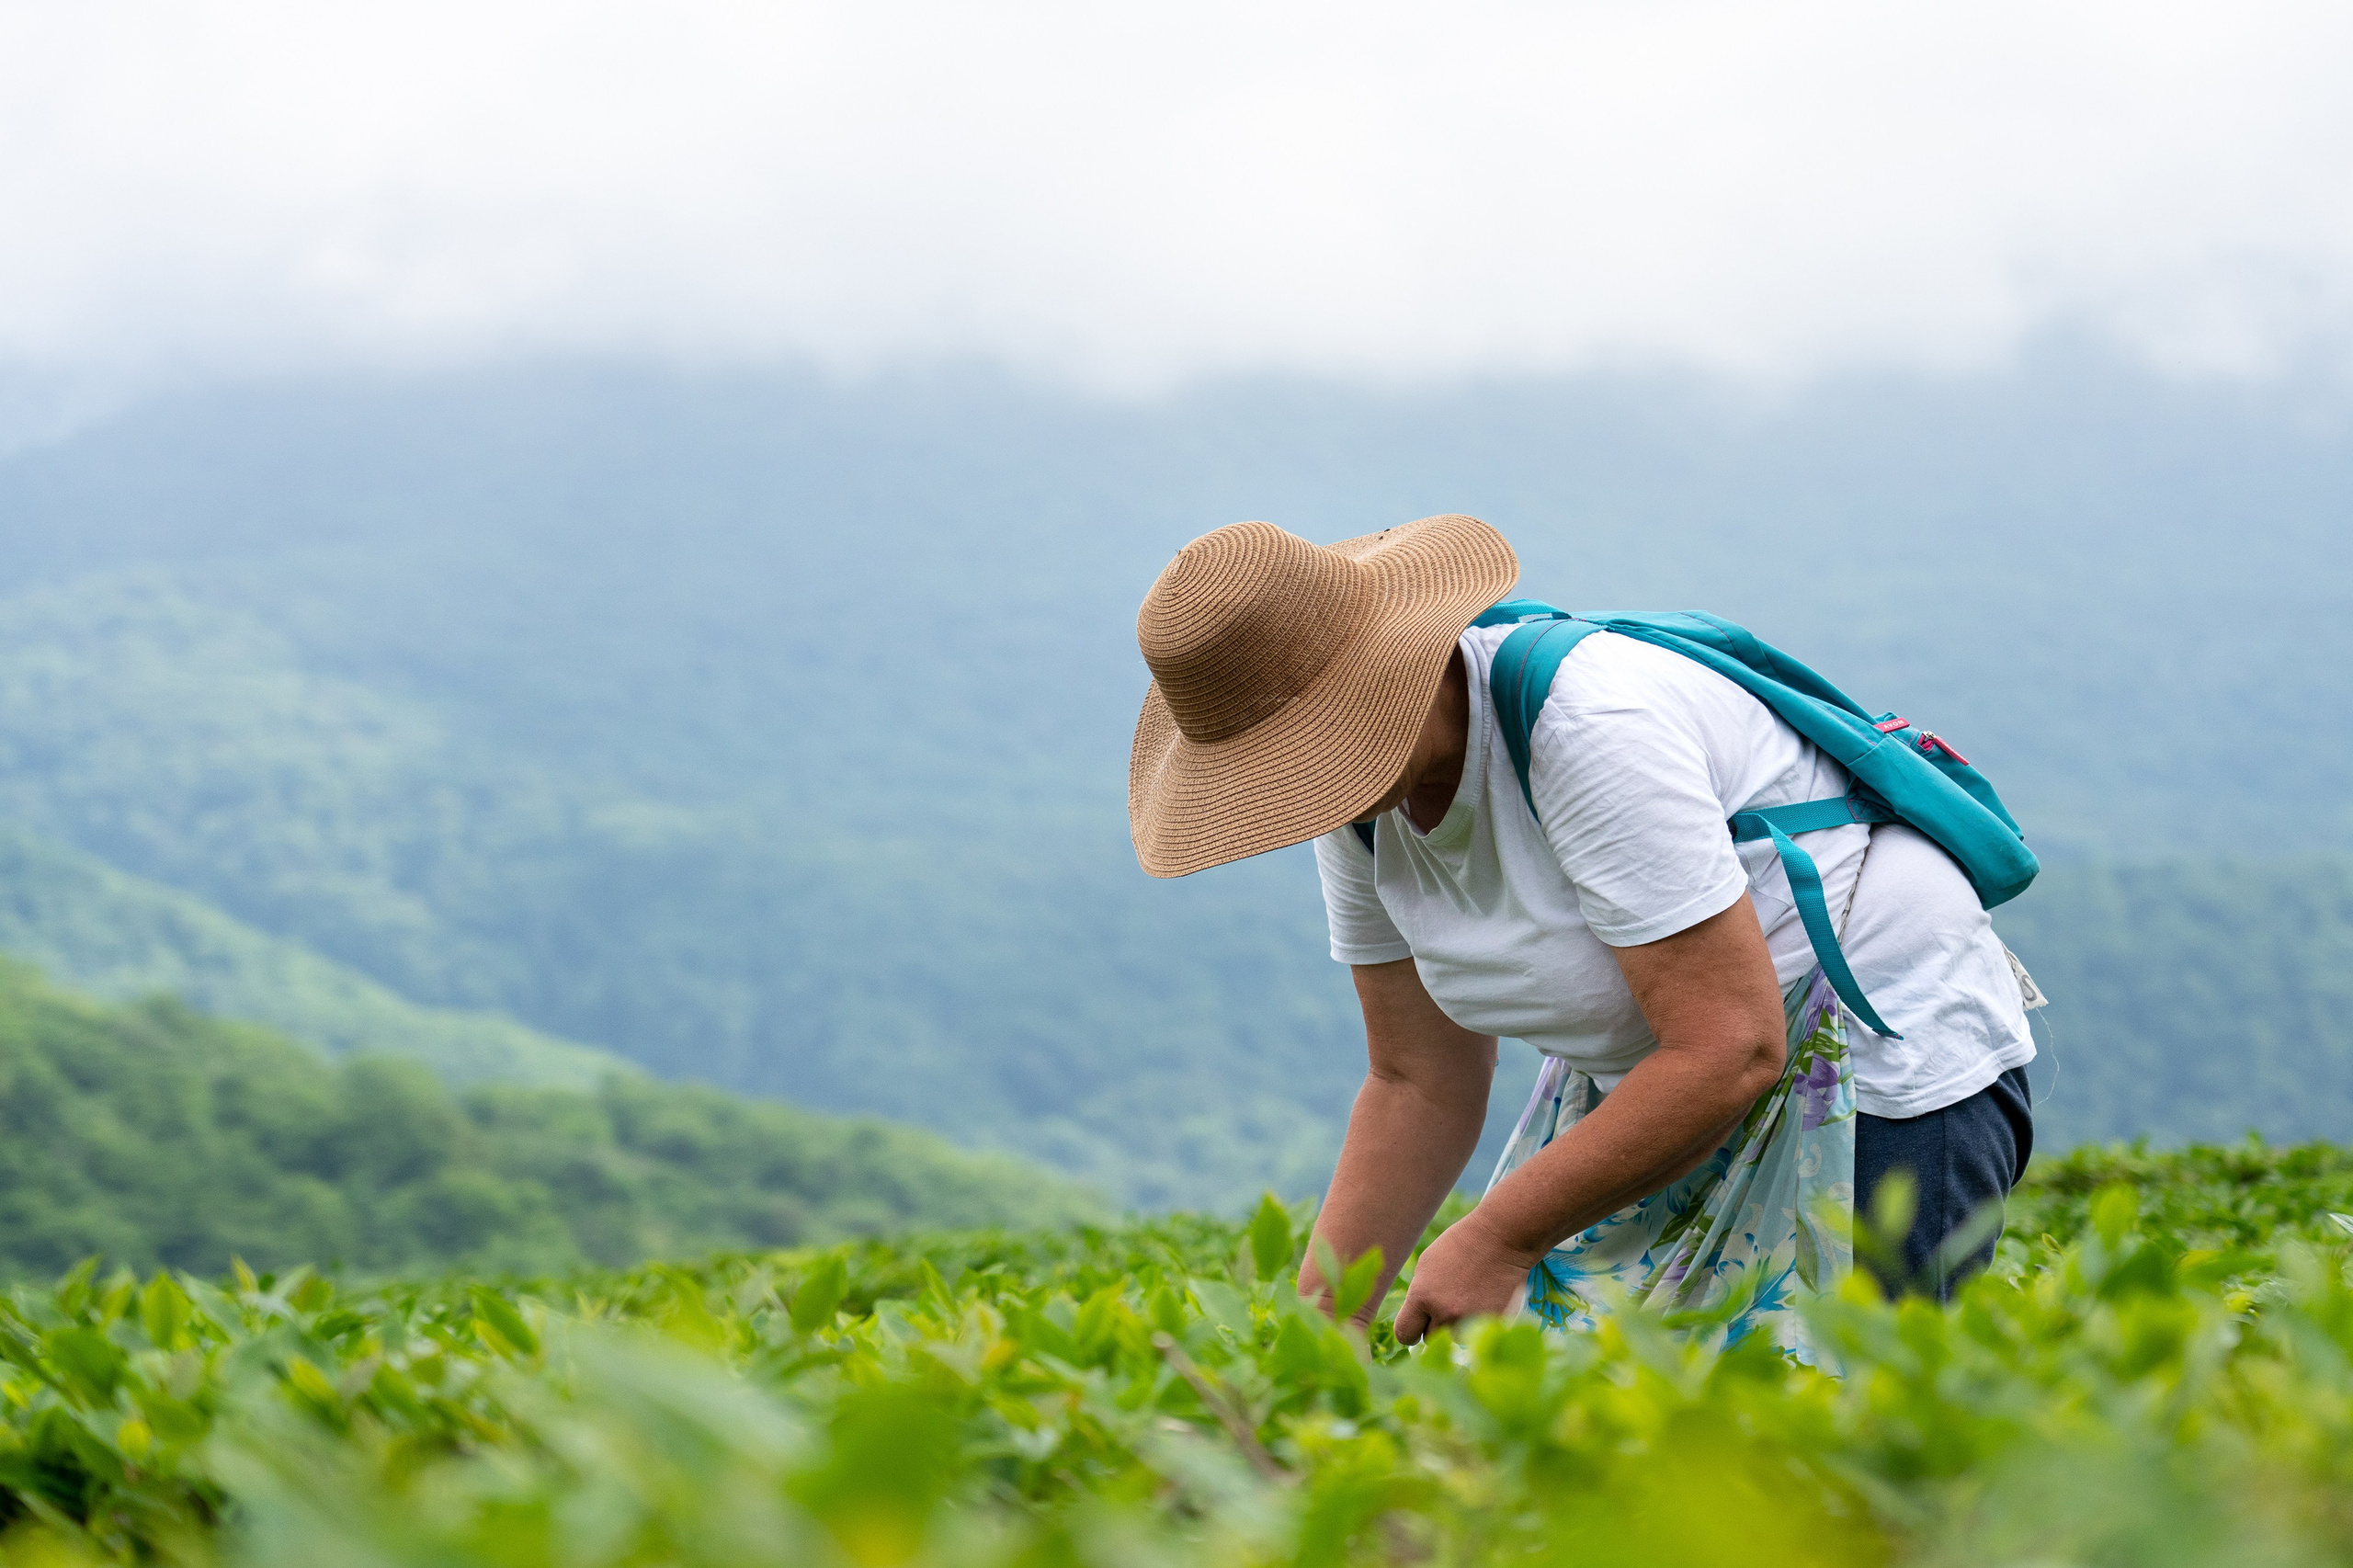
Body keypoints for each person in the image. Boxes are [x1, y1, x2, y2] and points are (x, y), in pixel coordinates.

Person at [1128, 514, 2036, 1355]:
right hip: (1664, 1072)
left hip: (1865, 1044)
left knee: (1855, 1420)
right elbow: (1417, 1078)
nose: (1295, 786)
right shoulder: (1360, 800)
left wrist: (1498, 1233)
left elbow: (1729, 1043)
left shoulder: (1590, 725)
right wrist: (1315, 1332)